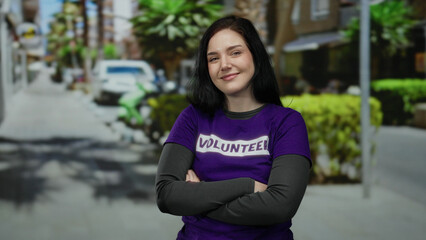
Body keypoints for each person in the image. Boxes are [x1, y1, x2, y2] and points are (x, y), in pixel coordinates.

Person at [155, 16, 311, 240]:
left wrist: (198, 197)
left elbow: (280, 206)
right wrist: (247, 186)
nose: (225, 64)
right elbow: (166, 195)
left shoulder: (287, 122)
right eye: (213, 58)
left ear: (255, 55)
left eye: (235, 52)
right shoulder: (193, 118)